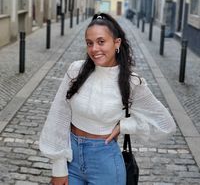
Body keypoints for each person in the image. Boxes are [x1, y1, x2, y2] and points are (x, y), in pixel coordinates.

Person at [39, 13, 176, 185]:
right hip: (70, 159)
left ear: (116, 43)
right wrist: (58, 166)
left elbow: (166, 125)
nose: (94, 49)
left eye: (101, 41)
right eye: (90, 43)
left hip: (105, 162)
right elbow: (58, 115)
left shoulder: (131, 82)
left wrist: (125, 126)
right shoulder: (76, 71)